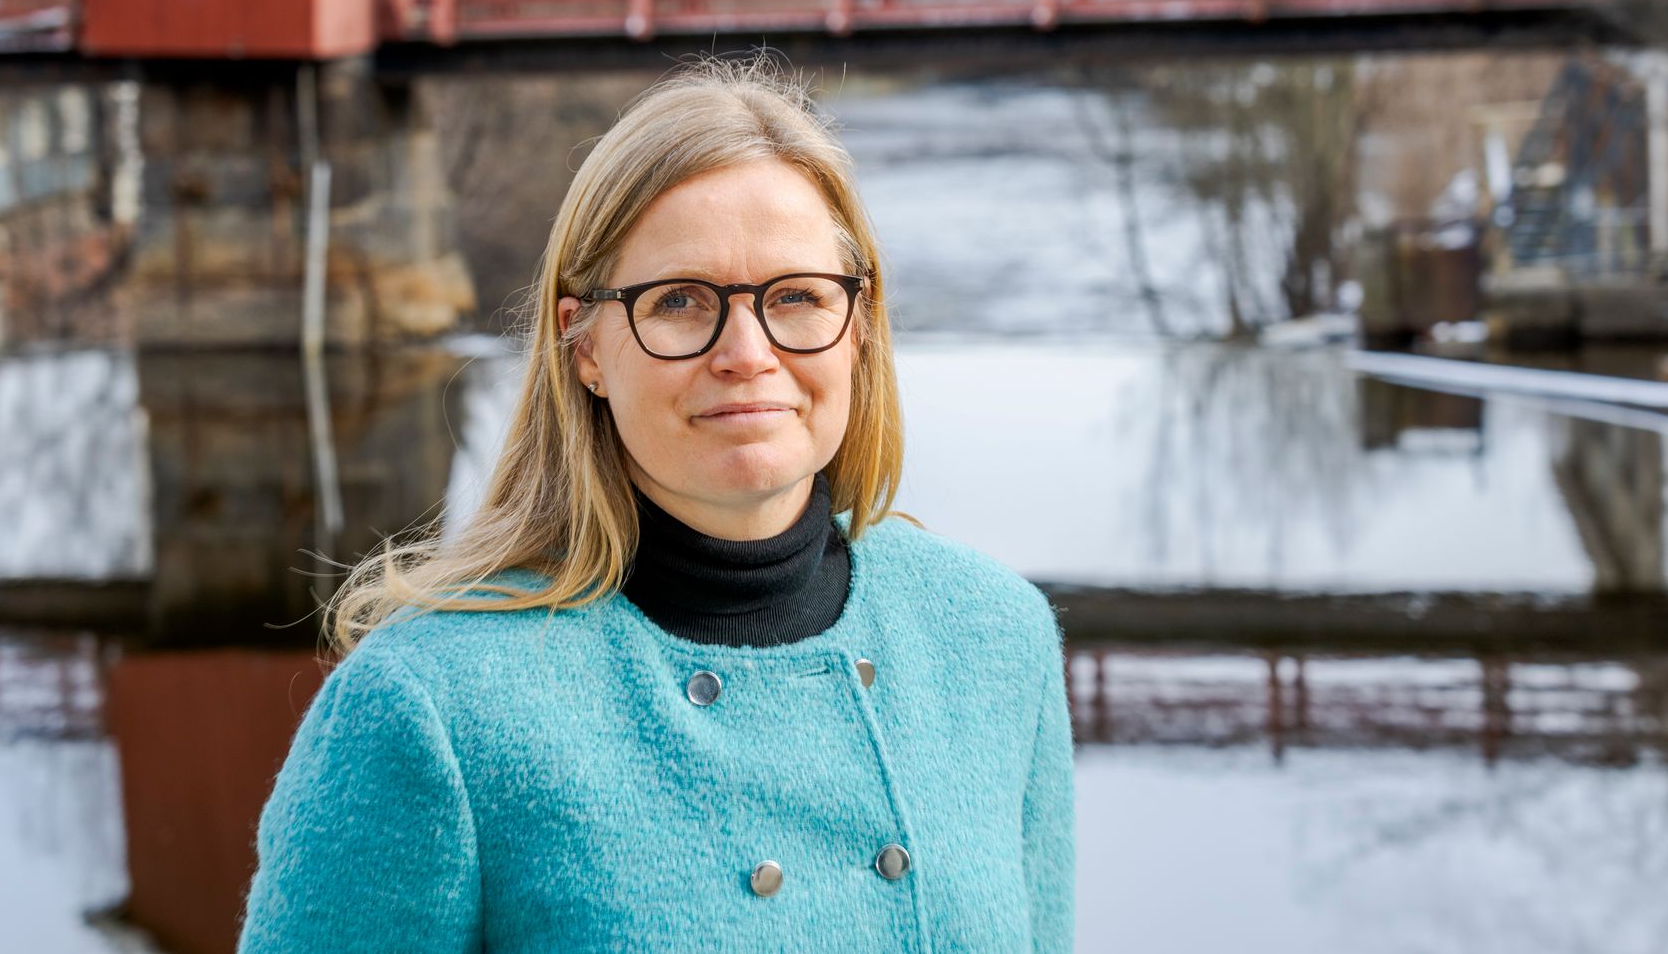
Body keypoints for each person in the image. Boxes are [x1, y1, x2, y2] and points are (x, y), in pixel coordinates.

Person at [237, 60, 1076, 953]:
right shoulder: (430, 709)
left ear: (859, 321)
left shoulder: (993, 637)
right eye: (680, 302)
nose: (748, 352)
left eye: (796, 296)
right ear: (584, 342)